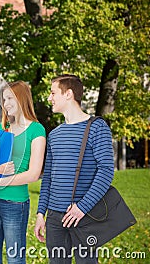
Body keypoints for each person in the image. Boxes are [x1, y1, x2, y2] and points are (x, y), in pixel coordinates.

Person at [34, 74, 114, 263]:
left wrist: (82, 208)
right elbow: (48, 178)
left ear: (68, 94)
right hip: (54, 218)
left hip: (83, 216)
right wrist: (40, 214)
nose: (49, 98)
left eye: (53, 93)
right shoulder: (54, 134)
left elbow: (106, 171)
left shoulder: (97, 127)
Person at [0, 81, 46, 264]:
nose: (6, 103)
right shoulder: (3, 127)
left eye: (10, 98)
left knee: (15, 258)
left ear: (22, 98)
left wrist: (0, 181)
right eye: (4, 99)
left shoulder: (36, 130)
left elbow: (33, 174)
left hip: (15, 204)